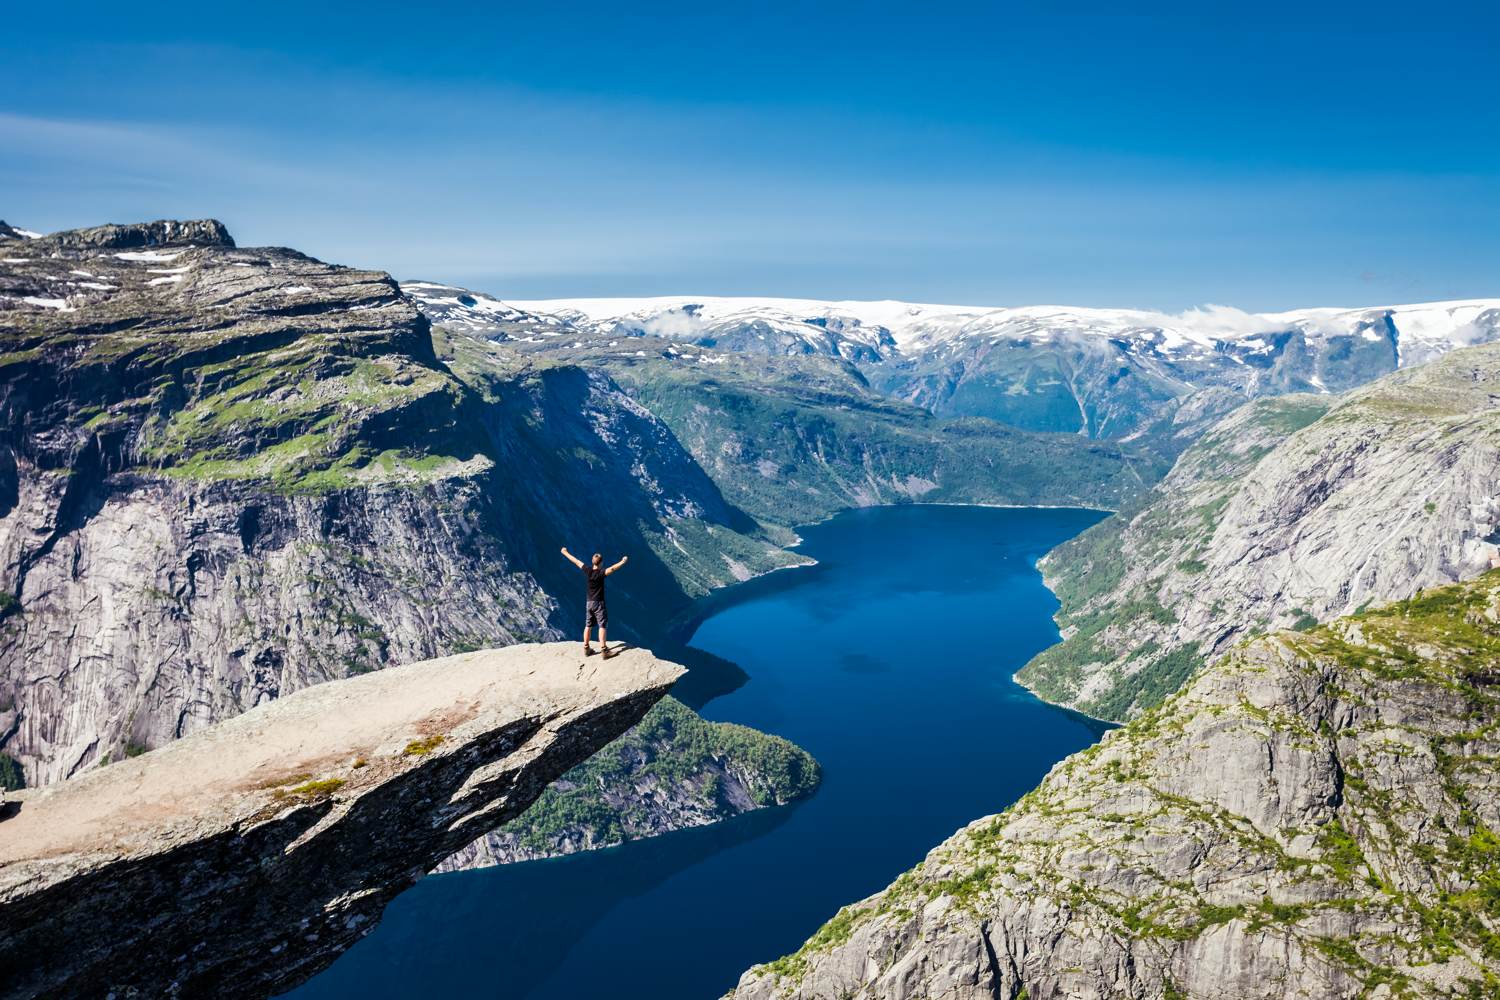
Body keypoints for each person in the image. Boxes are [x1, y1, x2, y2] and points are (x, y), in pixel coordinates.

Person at [560, 547, 628, 657]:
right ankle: (604, 650)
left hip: (589, 603)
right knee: (602, 625)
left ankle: (586, 648)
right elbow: (613, 569)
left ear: (593, 562)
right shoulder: (601, 573)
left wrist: (565, 552)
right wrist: (623, 561)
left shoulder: (587, 570)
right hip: (599, 603)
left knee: (588, 625)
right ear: (601, 563)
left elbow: (576, 561)